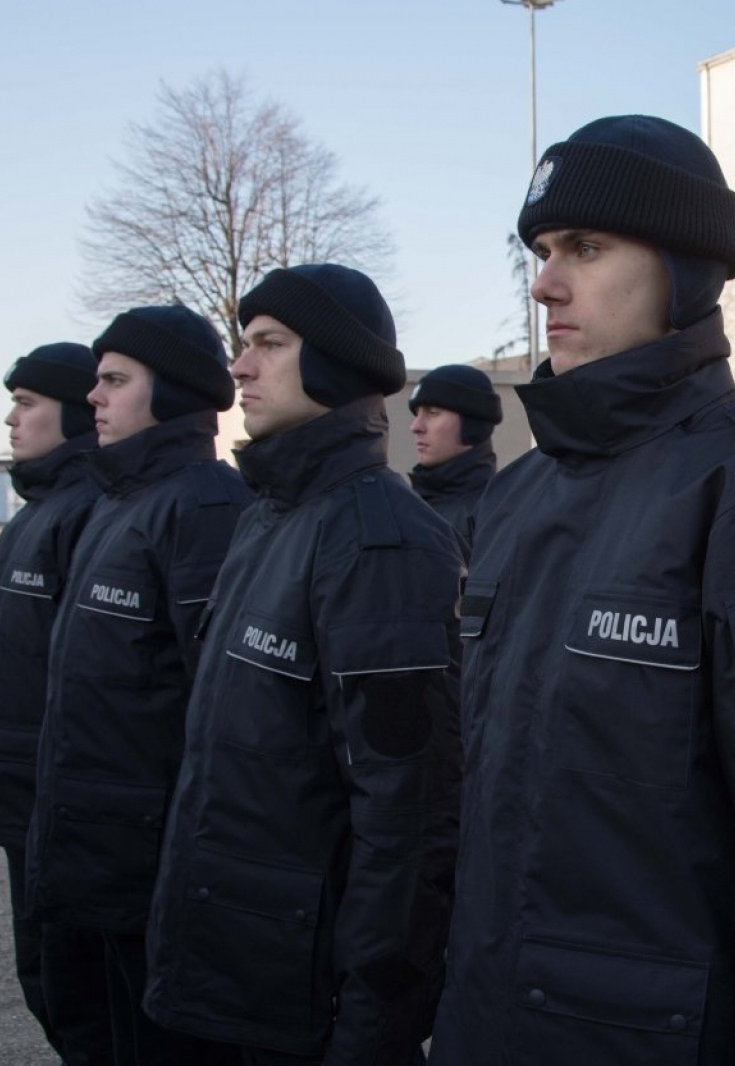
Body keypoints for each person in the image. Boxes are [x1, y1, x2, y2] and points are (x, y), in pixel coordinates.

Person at [429, 114, 735, 1066]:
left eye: (587, 248)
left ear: (685, 273)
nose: (545, 282)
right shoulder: (518, 497)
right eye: (540, 250)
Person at [143, 264, 463, 1063]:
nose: (240, 368)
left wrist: (371, 1024)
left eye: (269, 344)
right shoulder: (267, 522)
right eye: (244, 345)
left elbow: (407, 816)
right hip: (232, 969)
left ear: (336, 362)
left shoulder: (379, 540)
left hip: (301, 995)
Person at [26, 305, 253, 1065]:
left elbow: (219, 709)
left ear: (175, 391)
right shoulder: (117, 505)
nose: (94, 398)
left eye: (115, 381)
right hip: (100, 860)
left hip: (154, 870)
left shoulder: (205, 507)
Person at [0, 343, 114, 1065]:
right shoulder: (39, 511)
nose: (11, 419)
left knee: (81, 999)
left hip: (64, 806)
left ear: (75, 411)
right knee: (48, 986)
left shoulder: (85, 513)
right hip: (27, 795)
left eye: (27, 403)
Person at [408, 363, 502, 553]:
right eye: (417, 413)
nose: (416, 426)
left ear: (472, 426)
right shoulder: (406, 505)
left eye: (432, 413)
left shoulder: (497, 515)